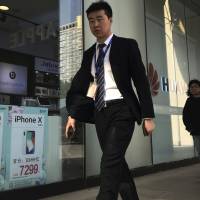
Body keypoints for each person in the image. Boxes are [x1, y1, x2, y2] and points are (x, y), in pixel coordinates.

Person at [65, 1, 155, 200]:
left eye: (99, 19)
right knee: (116, 163)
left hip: (123, 110)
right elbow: (84, 87)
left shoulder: (127, 45)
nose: (95, 24)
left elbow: (141, 81)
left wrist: (148, 115)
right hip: (100, 113)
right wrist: (72, 115)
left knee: (108, 162)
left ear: (110, 19)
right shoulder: (89, 54)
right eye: (91, 21)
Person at [183, 79, 200, 158]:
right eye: (191, 87)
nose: (193, 88)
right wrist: (189, 127)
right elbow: (185, 115)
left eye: (196, 86)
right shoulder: (189, 101)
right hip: (195, 131)